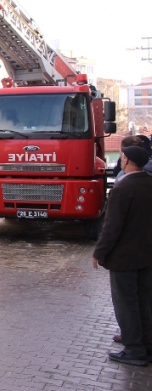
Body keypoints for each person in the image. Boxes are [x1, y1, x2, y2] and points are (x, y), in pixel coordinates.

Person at [92, 145, 152, 366]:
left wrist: (99, 252)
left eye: (122, 157)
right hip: (147, 255)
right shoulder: (149, 183)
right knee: (144, 301)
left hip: (125, 257)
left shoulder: (122, 188)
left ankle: (134, 349)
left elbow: (112, 226)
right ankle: (146, 344)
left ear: (126, 161)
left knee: (125, 303)